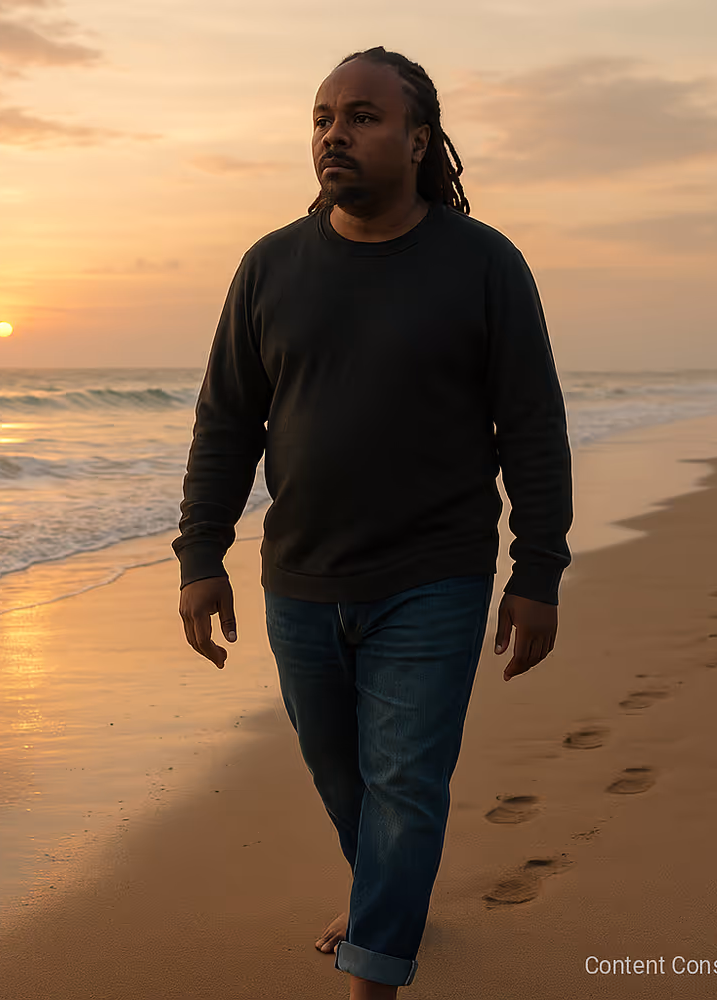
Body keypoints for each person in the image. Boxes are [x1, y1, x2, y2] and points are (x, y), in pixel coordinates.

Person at [174, 45, 573, 1000]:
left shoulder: (484, 265)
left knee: (406, 785)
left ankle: (375, 973)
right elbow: (227, 419)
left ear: (418, 137)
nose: (333, 135)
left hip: (435, 573)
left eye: (361, 116)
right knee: (343, 780)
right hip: (302, 579)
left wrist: (538, 571)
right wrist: (201, 554)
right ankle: (386, 900)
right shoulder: (269, 267)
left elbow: (533, 425)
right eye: (321, 118)